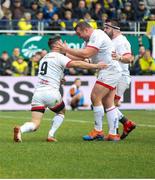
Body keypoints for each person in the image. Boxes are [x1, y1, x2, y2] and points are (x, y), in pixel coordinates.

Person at [13, 35, 107, 143]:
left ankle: (21, 129)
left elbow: (50, 73)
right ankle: (51, 134)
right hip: (51, 92)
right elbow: (76, 64)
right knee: (61, 112)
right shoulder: (58, 56)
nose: (64, 44)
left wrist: (59, 79)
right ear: (57, 45)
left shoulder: (44, 58)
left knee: (35, 123)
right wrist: (96, 66)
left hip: (38, 94)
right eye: (62, 43)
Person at [55, 21, 122, 141]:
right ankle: (113, 134)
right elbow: (82, 58)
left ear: (86, 30)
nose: (78, 36)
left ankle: (98, 131)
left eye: (79, 33)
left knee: (95, 97)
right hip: (109, 70)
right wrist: (64, 54)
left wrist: (68, 49)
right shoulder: (88, 41)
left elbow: (87, 53)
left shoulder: (97, 35)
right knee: (108, 102)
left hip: (109, 70)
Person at [104, 20, 136, 139]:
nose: (105, 30)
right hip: (115, 76)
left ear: (115, 29)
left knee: (109, 104)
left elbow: (129, 58)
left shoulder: (121, 41)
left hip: (121, 77)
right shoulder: (113, 41)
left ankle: (116, 131)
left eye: (107, 28)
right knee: (108, 104)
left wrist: (119, 57)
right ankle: (125, 125)